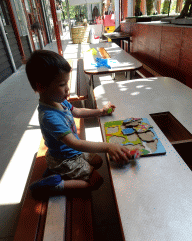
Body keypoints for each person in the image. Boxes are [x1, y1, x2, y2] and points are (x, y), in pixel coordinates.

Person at [25, 50, 133, 197]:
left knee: (98, 161)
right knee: (96, 181)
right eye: (62, 84)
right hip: (64, 159)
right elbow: (76, 144)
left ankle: (56, 172)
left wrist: (100, 111)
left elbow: (77, 111)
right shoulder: (49, 117)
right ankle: (54, 186)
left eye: (67, 83)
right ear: (41, 87)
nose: (67, 89)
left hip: (70, 152)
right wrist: (108, 146)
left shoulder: (59, 101)